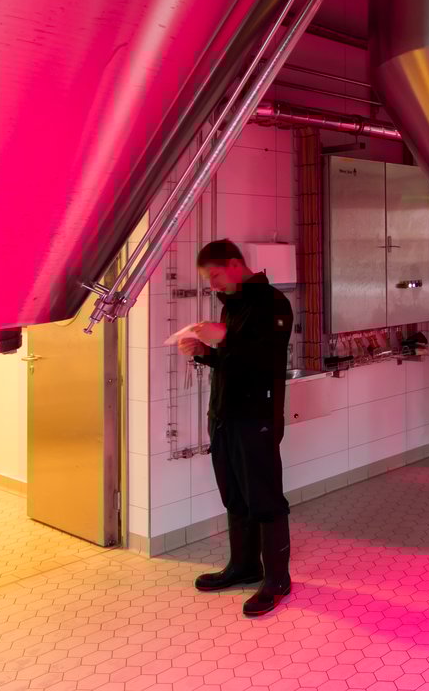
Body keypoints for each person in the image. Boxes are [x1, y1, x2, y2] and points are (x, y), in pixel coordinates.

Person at [176, 238, 293, 616]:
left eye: (214, 276)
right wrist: (206, 353)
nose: (212, 285)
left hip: (256, 416)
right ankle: (244, 566)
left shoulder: (273, 303)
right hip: (225, 415)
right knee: (235, 494)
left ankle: (277, 580)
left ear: (233, 264)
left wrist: (223, 339)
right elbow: (234, 362)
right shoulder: (233, 307)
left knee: (264, 497)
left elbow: (264, 361)